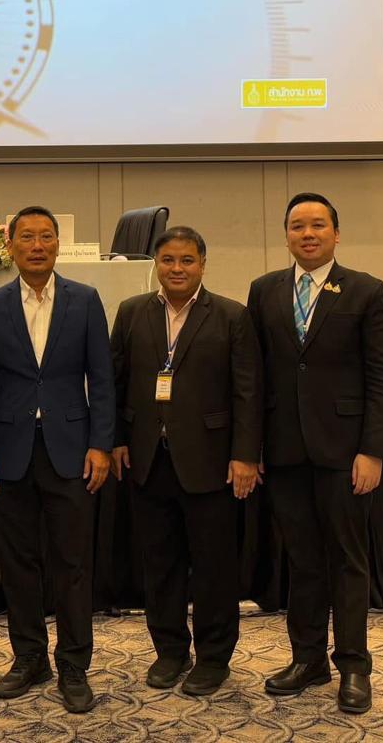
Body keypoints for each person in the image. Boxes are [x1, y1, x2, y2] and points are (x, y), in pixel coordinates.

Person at [247, 192, 383, 714]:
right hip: (285, 451)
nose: (307, 234)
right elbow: (254, 377)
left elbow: (382, 377)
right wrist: (252, 447)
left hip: (344, 452)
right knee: (303, 561)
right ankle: (308, 659)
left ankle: (354, 666)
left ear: (336, 233)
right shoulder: (264, 290)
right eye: (297, 226)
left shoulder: (366, 290)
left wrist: (372, 450)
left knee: (348, 561)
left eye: (317, 225)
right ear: (286, 235)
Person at [0, 205, 114, 714]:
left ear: (58, 245)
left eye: (46, 236)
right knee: (18, 563)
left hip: (72, 452)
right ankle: (29, 657)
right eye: (26, 237)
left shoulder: (85, 300)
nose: (37, 245)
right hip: (10, 454)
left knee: (73, 564)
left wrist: (100, 444)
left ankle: (73, 663)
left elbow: (102, 380)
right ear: (11, 247)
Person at [110, 226, 262, 695]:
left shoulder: (232, 316)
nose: (177, 269)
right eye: (169, 260)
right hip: (148, 460)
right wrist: (116, 440)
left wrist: (245, 455)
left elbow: (248, 392)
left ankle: (214, 658)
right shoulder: (132, 312)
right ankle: (170, 651)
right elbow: (115, 382)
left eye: (187, 260)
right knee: (160, 565)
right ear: (156, 264)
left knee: (214, 567)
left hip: (211, 463)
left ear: (202, 264)